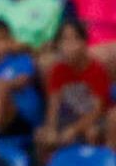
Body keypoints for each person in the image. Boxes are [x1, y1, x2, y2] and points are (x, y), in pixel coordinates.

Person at [41, 20, 110, 156]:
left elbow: (97, 111)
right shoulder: (58, 70)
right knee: (43, 136)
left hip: (94, 119)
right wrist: (51, 128)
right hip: (70, 117)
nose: (69, 46)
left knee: (92, 132)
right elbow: (53, 104)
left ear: (84, 43)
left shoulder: (96, 70)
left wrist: (74, 129)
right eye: (64, 40)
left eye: (75, 39)